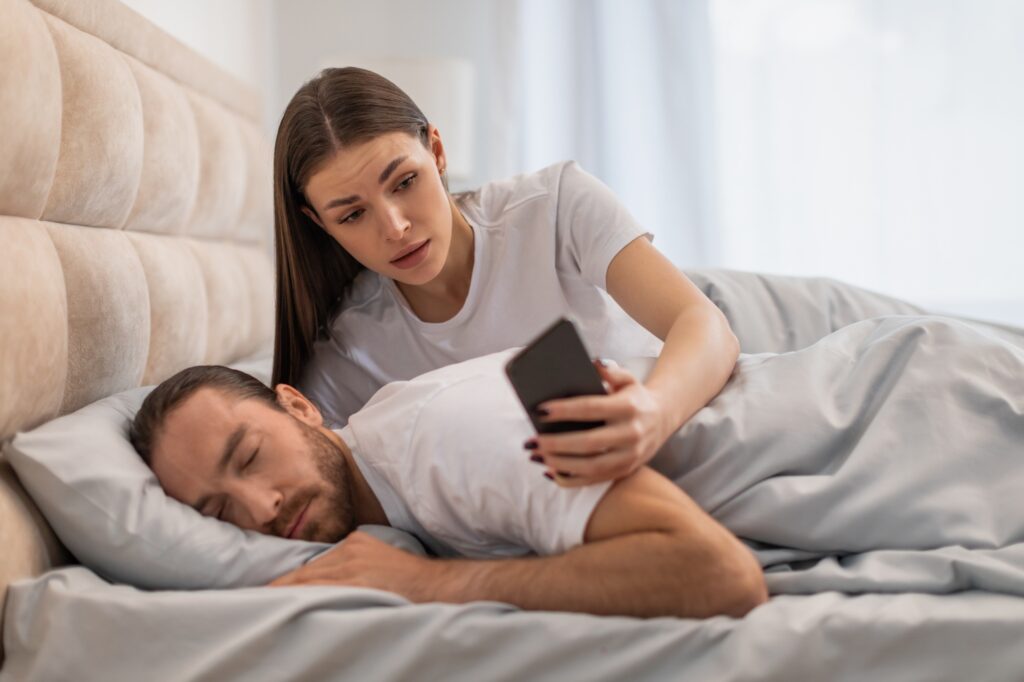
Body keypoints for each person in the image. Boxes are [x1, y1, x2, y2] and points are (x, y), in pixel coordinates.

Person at [273, 67, 740, 486]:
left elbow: (704, 324)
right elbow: (316, 480)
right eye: (353, 215)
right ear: (318, 223)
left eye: (405, 182)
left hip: (691, 422)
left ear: (436, 151)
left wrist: (653, 414)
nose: (395, 228)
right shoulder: (351, 351)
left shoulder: (554, 205)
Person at [128, 358, 767, 619]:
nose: (260, 508)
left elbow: (722, 575)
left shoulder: (441, 444)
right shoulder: (390, 473)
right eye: (217, 511)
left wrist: (433, 585)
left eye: (251, 457)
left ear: (298, 407)